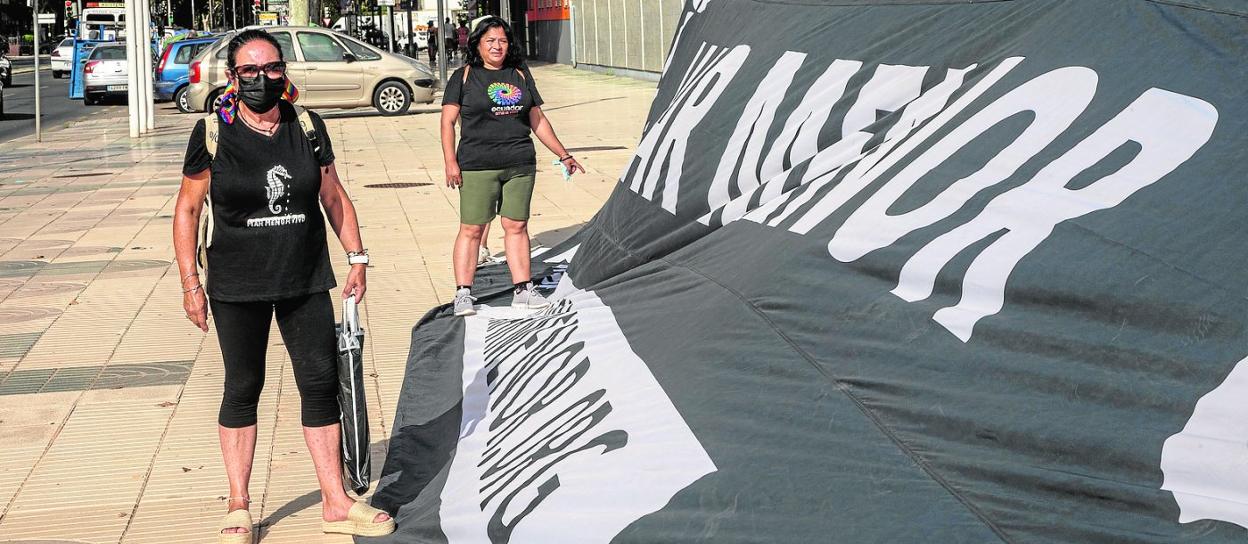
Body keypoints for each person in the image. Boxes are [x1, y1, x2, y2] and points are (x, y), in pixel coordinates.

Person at [172, 29, 394, 543]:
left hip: (304, 279)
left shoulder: (307, 126)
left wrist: (357, 257)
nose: (261, 79)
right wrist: (190, 283)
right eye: (249, 71)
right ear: (232, 77)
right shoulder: (213, 132)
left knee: (319, 386)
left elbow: (334, 198)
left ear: (284, 72)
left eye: (271, 68)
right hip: (236, 284)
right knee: (242, 387)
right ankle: (239, 504)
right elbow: (187, 209)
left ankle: (336, 503)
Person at [440, 16, 585, 317]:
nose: (497, 46)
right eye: (490, 41)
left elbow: (538, 120)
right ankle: (464, 294)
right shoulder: (464, 76)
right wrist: (450, 162)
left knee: (516, 226)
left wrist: (564, 154)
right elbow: (447, 122)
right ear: (477, 44)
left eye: (502, 41)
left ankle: (523, 289)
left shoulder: (519, 73)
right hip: (477, 165)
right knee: (471, 228)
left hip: (519, 163)